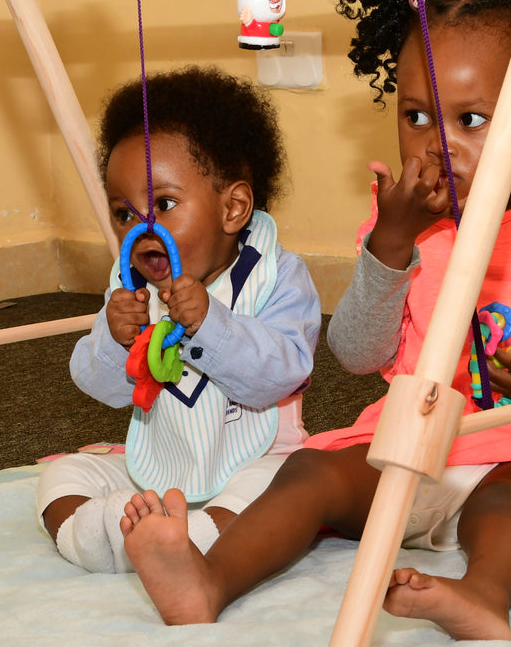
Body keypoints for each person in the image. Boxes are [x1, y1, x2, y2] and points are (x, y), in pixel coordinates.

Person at [122, 0, 511, 641]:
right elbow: (355, 352)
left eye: (471, 120)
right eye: (415, 115)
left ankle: (480, 594)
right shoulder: (396, 225)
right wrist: (390, 242)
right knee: (308, 477)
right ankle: (205, 579)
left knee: (503, 507)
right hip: (412, 449)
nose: (436, 144)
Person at [37, 66, 321, 574]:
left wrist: (211, 324)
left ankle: (180, 539)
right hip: (160, 462)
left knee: (285, 491)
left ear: (233, 207)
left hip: (258, 461)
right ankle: (102, 533)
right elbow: (103, 388)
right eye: (124, 213)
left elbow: (283, 374)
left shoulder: (277, 275)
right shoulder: (131, 283)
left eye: (165, 205)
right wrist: (115, 337)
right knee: (61, 476)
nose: (142, 228)